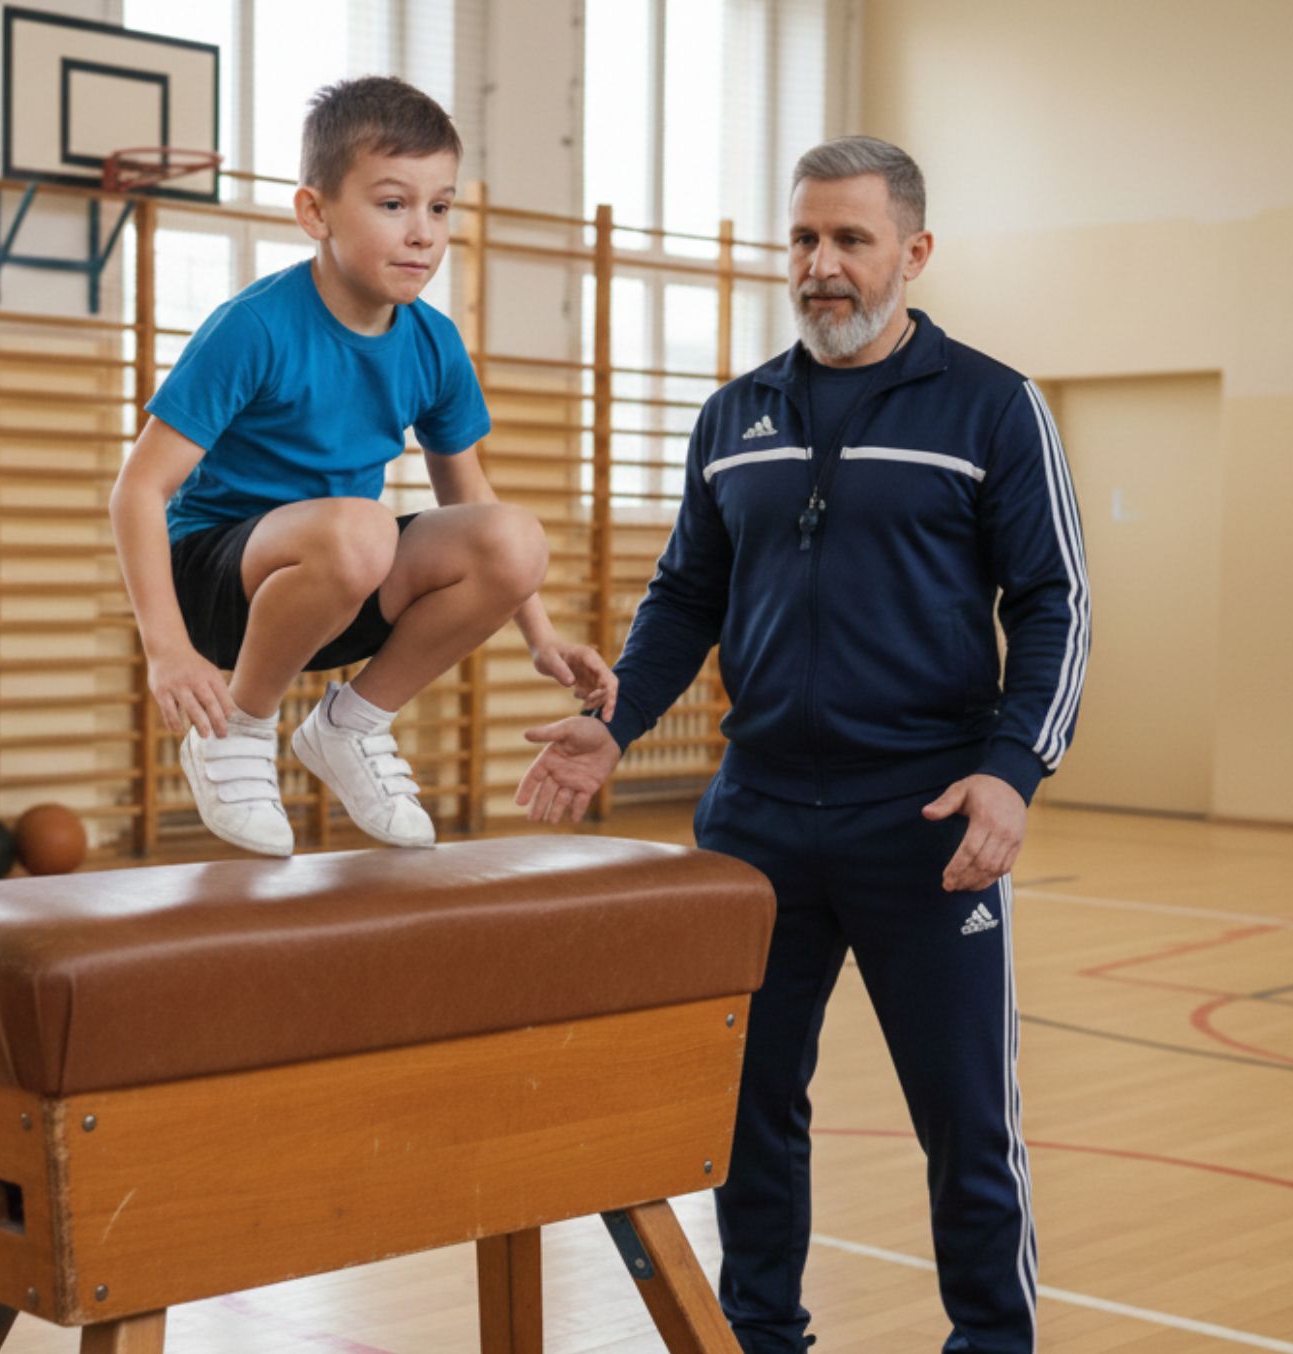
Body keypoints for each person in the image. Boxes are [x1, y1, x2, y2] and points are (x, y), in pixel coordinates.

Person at [517, 135, 1088, 1353]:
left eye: (851, 240)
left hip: (926, 824)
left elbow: (1055, 603)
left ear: (913, 253)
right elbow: (685, 596)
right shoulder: (736, 414)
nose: (821, 266)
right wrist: (611, 723)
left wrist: (1012, 767)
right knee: (749, 1105)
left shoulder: (993, 406)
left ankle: (993, 1342)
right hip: (757, 821)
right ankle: (759, 1334)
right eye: (804, 239)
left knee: (966, 1120)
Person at [112, 76, 614, 858]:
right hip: (218, 585)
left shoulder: (433, 343)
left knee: (513, 536)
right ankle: (239, 729)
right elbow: (139, 489)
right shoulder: (256, 327)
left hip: (336, 590)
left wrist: (540, 636)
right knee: (359, 527)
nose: (423, 234)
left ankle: (352, 725)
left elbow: (469, 501)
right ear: (315, 212)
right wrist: (167, 649)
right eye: (392, 204)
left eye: (439, 207)